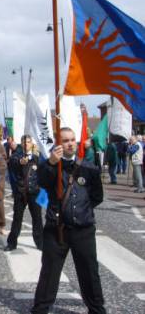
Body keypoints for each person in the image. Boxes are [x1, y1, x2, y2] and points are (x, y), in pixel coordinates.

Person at [31, 127, 106, 314]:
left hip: (83, 229)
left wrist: (82, 211)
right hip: (57, 229)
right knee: (49, 272)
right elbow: (40, 182)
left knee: (89, 272)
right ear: (58, 144)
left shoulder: (88, 168)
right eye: (65, 140)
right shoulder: (49, 166)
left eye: (72, 139)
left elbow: (97, 196)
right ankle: (41, 308)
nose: (70, 143)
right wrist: (50, 163)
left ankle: (96, 309)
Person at [4, 135, 43, 251]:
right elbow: (12, 162)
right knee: (17, 218)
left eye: (28, 142)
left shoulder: (37, 157)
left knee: (37, 219)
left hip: (34, 192)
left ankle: (40, 243)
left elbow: (45, 169)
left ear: (32, 143)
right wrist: (20, 162)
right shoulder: (17, 156)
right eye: (24, 142)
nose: (26, 144)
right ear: (21, 144)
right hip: (20, 192)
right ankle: (12, 243)